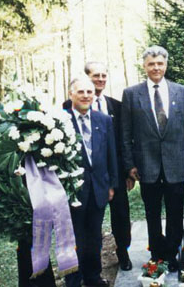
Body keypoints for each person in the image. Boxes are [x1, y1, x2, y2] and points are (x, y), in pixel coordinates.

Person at [121, 45, 184, 272]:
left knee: (176, 212)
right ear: (144, 66)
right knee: (152, 213)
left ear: (166, 65)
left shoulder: (182, 92)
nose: (156, 67)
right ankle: (157, 254)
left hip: (176, 164)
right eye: (151, 64)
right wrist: (129, 165)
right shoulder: (131, 94)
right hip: (147, 165)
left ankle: (172, 253)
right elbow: (125, 134)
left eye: (160, 63)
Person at [63, 62, 132, 271]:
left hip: (113, 173)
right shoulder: (66, 110)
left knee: (120, 215)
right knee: (87, 228)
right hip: (82, 179)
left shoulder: (116, 106)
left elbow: (122, 141)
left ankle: (123, 252)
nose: (100, 79)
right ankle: (84, 268)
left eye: (104, 75)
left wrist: (126, 171)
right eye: (95, 76)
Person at [65, 76, 118, 287]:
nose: (86, 96)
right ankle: (74, 280)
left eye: (89, 92)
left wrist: (112, 184)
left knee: (94, 237)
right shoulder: (60, 121)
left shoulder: (103, 120)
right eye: (81, 92)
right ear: (71, 95)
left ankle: (93, 277)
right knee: (75, 240)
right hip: (73, 191)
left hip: (98, 188)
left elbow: (111, 154)